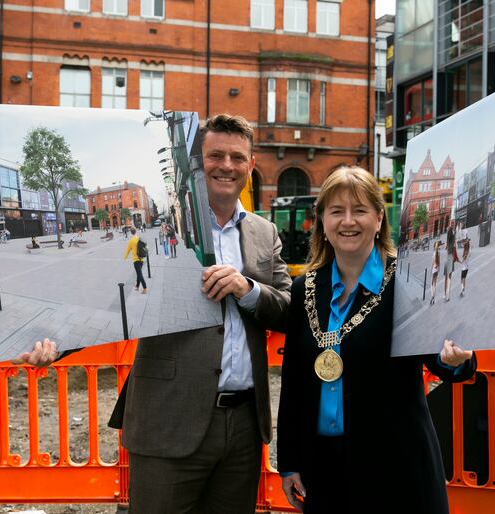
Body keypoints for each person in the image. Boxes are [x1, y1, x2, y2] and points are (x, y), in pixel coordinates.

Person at [18, 114, 292, 514]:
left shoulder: (263, 233)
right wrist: (53, 344)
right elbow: (109, 301)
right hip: (168, 417)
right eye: (216, 155)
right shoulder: (161, 227)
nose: (227, 166)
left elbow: (285, 306)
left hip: (244, 427)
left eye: (237, 157)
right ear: (199, 163)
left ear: (250, 166)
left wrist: (247, 288)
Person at [277, 166, 476, 513]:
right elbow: (294, 381)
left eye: (360, 210)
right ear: (322, 220)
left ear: (379, 217)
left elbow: (441, 361)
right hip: (325, 471)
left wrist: (454, 359)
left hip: (397, 468)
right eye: (336, 211)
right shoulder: (304, 289)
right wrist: (290, 461)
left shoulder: (407, 282)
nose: (348, 221)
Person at [124, 227, 148, 294]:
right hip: (141, 258)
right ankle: (137, 286)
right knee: (138, 273)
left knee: (139, 274)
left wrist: (124, 258)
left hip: (136, 260)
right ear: (136, 231)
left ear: (131, 233)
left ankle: (145, 288)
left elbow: (127, 250)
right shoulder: (139, 238)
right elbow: (145, 246)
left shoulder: (131, 241)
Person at [443, 219, 457, 302]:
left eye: (453, 223)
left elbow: (451, 241)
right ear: (450, 224)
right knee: (448, 276)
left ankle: (446, 294)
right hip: (449, 255)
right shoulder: (449, 231)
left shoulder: (453, 231)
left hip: (451, 255)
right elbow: (449, 240)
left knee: (449, 276)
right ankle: (446, 294)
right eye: (451, 223)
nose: (452, 224)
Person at [430, 240, 440, 305]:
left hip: (434, 270)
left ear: (434, 247)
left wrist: (431, 270)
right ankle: (434, 297)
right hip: (437, 270)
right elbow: (439, 262)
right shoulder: (438, 253)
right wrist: (438, 269)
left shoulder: (434, 253)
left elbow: (432, 263)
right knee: (435, 284)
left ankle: (432, 297)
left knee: (432, 284)